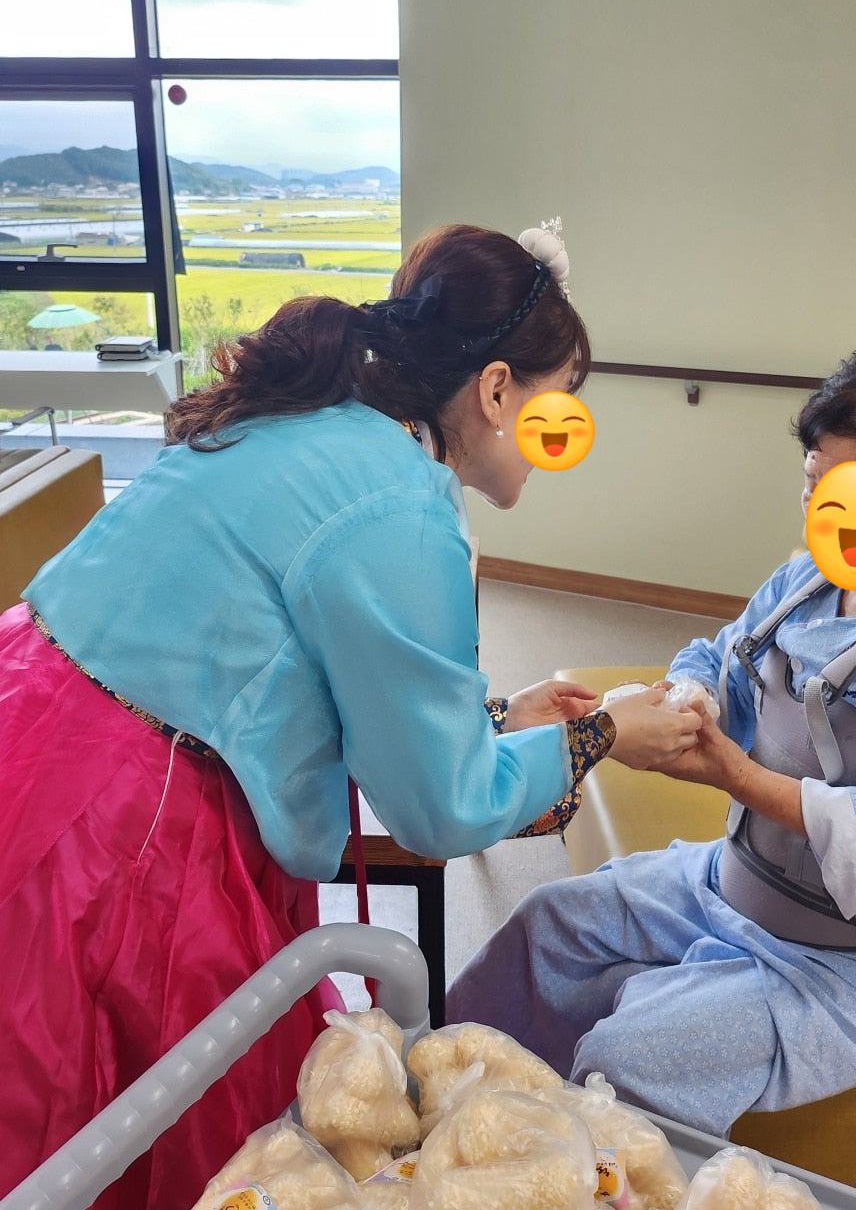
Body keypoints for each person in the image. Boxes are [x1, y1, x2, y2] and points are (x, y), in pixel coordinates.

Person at [0, 223, 700, 1208]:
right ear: (498, 390)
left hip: (35, 714)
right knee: (137, 1123)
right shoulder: (401, 511)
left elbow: (289, 668)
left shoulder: (312, 428)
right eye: (562, 401)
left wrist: (493, 719)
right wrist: (603, 734)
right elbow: (440, 810)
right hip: (122, 815)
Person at [447, 338, 856, 1139]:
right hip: (736, 884)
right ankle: (437, 1115)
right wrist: (691, 698)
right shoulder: (807, 581)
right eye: (815, 489)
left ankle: (538, 1171)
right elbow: (719, 656)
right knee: (545, 932)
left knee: (624, 1060)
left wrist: (736, 776)